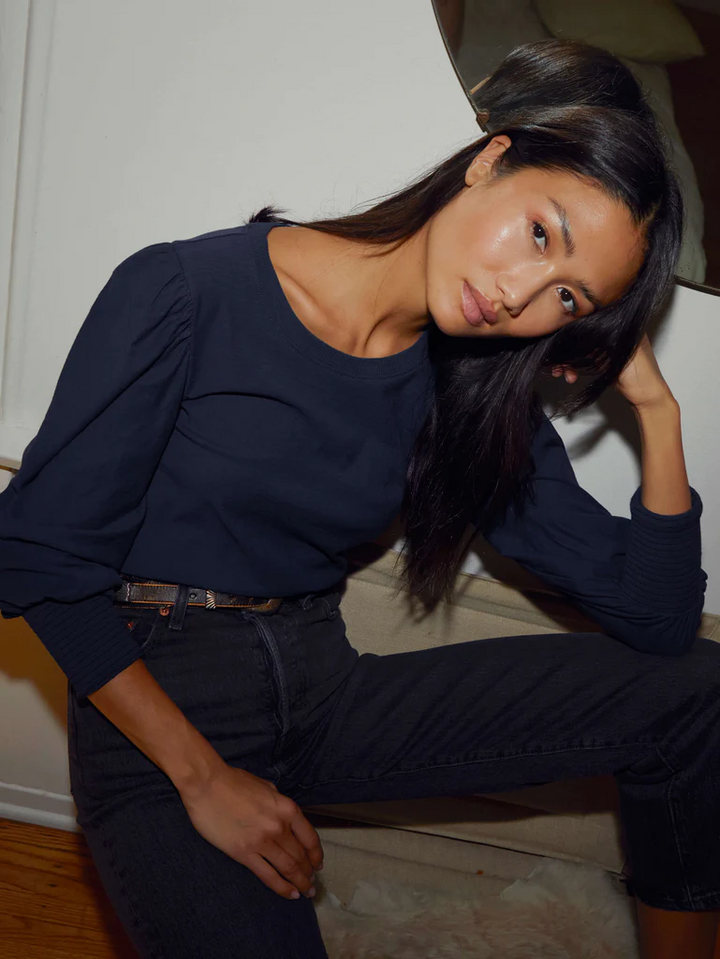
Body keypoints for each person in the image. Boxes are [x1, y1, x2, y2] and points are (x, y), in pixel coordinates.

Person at [0, 39, 718, 959]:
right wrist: (204, 777)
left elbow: (659, 622)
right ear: (491, 160)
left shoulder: (468, 386)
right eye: (542, 233)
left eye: (569, 298)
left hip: (320, 686)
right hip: (160, 705)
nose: (522, 294)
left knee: (698, 693)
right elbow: (42, 561)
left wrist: (658, 411)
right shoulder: (189, 290)